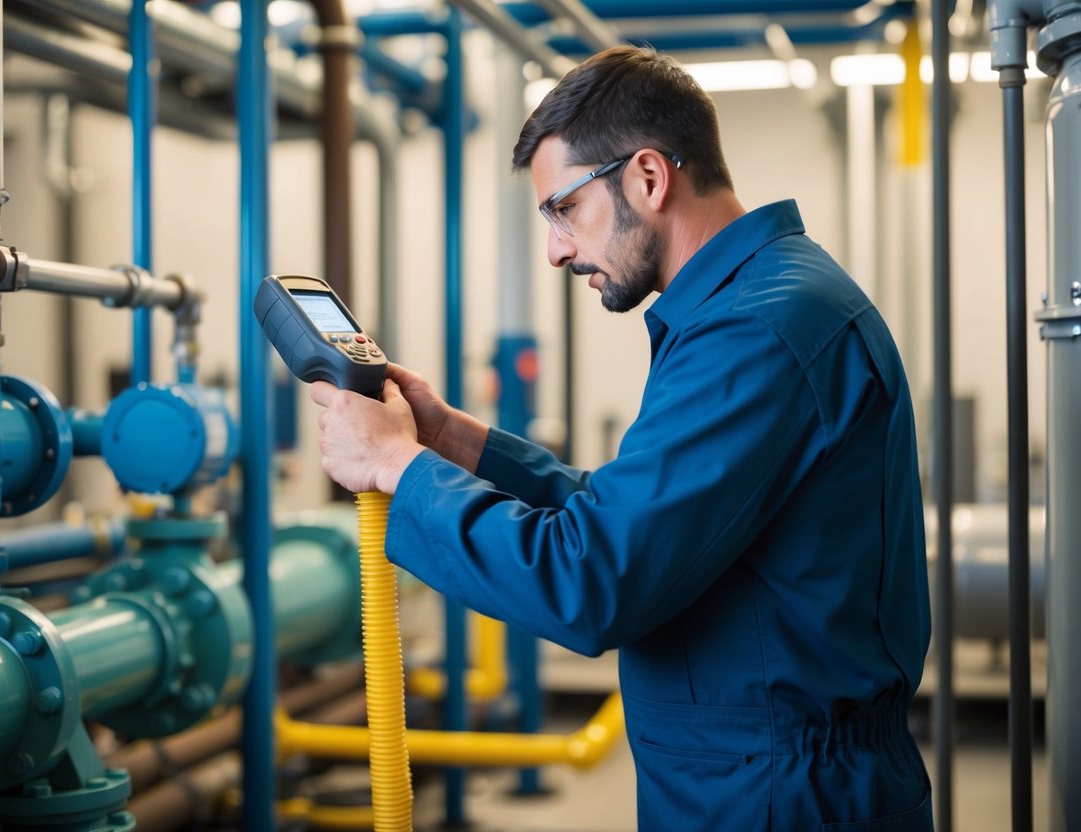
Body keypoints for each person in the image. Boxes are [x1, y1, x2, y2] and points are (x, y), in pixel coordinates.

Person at [309, 45, 933, 830]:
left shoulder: (755, 329)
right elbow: (640, 520)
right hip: (762, 777)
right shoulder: (759, 303)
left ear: (647, 176)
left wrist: (395, 466)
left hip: (775, 797)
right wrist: (455, 443)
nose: (556, 249)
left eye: (564, 209)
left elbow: (592, 578)